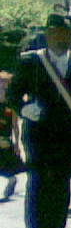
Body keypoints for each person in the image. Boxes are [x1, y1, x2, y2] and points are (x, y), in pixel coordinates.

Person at [6, 6, 71, 228]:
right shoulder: (32, 61)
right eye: (56, 32)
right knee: (37, 185)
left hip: (70, 137)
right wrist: (24, 108)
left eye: (66, 33)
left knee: (60, 187)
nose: (61, 37)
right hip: (39, 134)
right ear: (47, 34)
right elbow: (13, 94)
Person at [0, 71, 21, 202]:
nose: (2, 87)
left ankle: (12, 180)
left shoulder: (11, 104)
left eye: (4, 85)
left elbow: (15, 126)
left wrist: (17, 144)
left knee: (7, 166)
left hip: (5, 140)